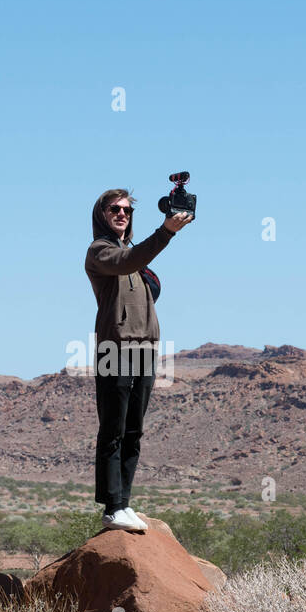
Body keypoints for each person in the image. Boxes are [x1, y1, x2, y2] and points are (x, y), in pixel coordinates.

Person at [84, 188, 193, 531]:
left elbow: (138, 266)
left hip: (145, 350)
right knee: (112, 429)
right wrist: (166, 233)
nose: (122, 214)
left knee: (134, 430)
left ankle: (124, 504)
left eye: (127, 211)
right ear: (101, 214)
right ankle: (112, 507)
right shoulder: (99, 252)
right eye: (115, 209)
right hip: (113, 348)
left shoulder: (133, 255)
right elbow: (127, 263)